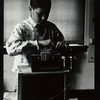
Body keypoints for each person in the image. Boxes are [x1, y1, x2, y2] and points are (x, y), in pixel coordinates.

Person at [6, 0, 65, 74]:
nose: (43, 18)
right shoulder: (21, 27)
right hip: (25, 74)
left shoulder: (52, 28)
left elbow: (63, 45)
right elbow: (10, 49)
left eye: (46, 14)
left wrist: (60, 47)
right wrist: (38, 43)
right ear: (30, 10)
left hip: (48, 73)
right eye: (39, 14)